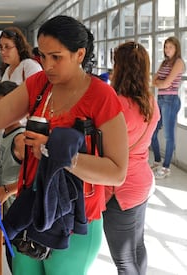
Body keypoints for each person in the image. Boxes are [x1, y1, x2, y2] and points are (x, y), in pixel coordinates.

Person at [0, 15, 128, 275]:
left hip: (77, 219)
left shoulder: (101, 96)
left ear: (80, 54)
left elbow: (117, 171)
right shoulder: (40, 84)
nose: (48, 65)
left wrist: (57, 152)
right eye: (43, 56)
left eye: (57, 57)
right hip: (33, 208)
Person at [103, 42, 160, 275]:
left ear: (120, 68)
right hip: (142, 181)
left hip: (121, 188)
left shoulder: (117, 105)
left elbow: (104, 148)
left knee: (124, 260)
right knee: (137, 246)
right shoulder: (150, 101)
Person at [0, 80, 24, 271]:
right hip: (5, 209)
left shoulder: (20, 139)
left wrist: (6, 190)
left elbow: (35, 178)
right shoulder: (5, 133)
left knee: (17, 260)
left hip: (17, 211)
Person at [151, 36, 185, 179]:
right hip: (160, 99)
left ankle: (166, 168)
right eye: (166, 47)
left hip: (170, 100)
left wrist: (160, 82)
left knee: (168, 136)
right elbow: (154, 80)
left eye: (170, 47)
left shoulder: (179, 62)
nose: (167, 49)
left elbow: (165, 84)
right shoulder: (165, 62)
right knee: (152, 132)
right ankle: (158, 161)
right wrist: (160, 82)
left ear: (176, 48)